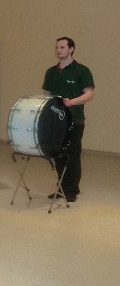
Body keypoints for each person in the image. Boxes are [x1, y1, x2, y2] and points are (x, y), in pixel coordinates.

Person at [42, 36, 94, 202]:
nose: (58, 50)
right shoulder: (51, 72)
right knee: (58, 155)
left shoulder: (81, 70)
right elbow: (47, 95)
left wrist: (72, 102)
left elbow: (89, 94)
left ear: (71, 49)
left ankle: (71, 191)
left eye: (62, 47)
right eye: (57, 47)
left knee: (72, 156)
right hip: (56, 123)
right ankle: (62, 188)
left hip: (74, 120)